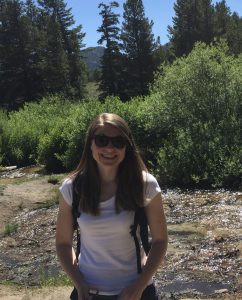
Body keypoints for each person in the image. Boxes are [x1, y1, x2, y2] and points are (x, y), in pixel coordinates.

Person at [56, 113, 168, 300]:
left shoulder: (145, 185)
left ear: (127, 148)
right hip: (87, 293)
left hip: (135, 293)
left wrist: (139, 286)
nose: (109, 148)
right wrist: (78, 282)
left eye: (118, 142)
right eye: (101, 140)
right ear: (90, 145)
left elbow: (160, 241)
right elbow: (63, 244)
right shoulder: (72, 188)